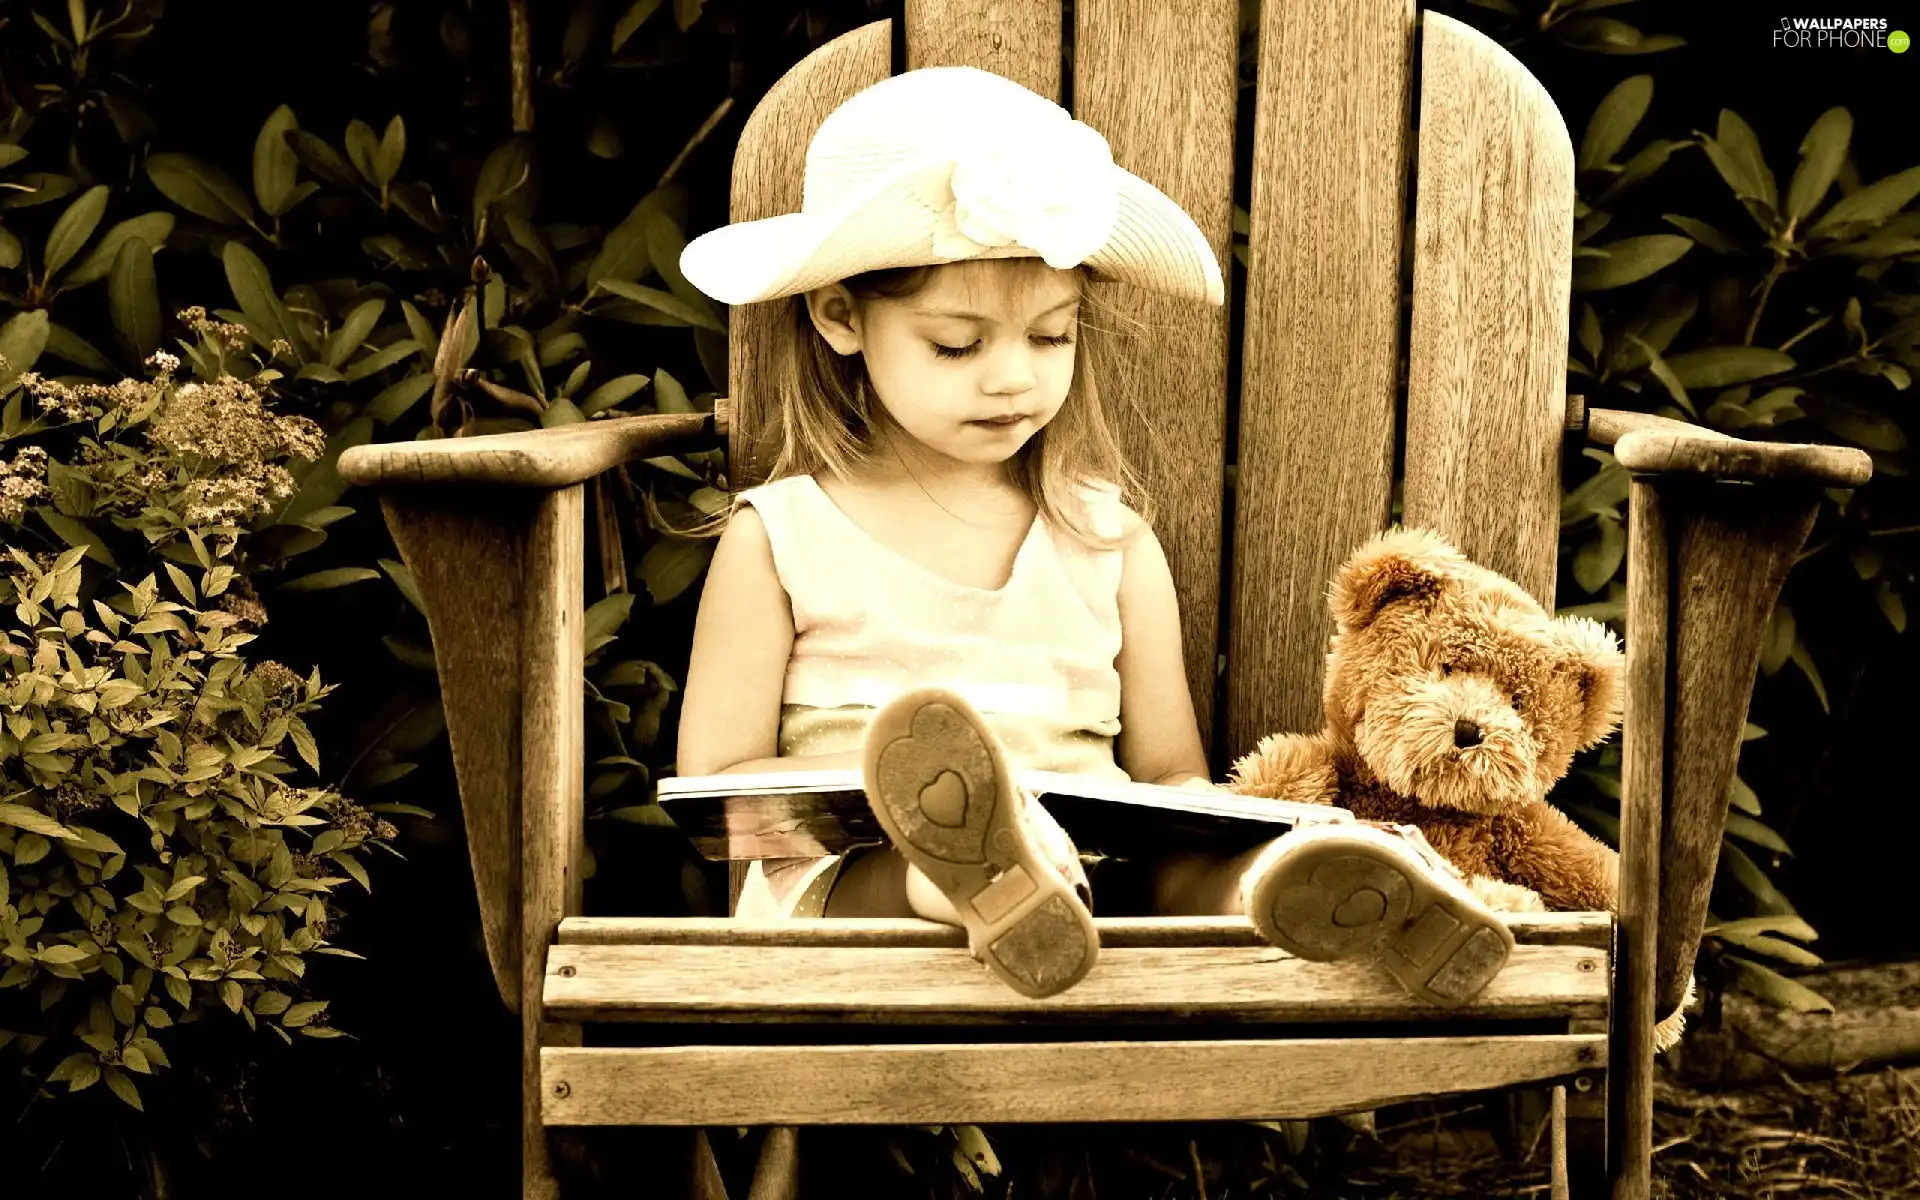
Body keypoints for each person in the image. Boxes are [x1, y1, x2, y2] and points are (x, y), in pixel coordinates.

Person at [674, 66, 1512, 1004]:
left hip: (1092, 887)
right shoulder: (784, 538)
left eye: (1051, 338)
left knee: (1201, 874)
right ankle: (978, 873)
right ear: (839, 317)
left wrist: (1218, 825)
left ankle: (1329, 895)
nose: (1013, 380)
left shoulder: (1105, 541)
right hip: (861, 891)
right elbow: (717, 791)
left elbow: (1168, 773)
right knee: (925, 868)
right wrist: (926, 795)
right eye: (958, 345)